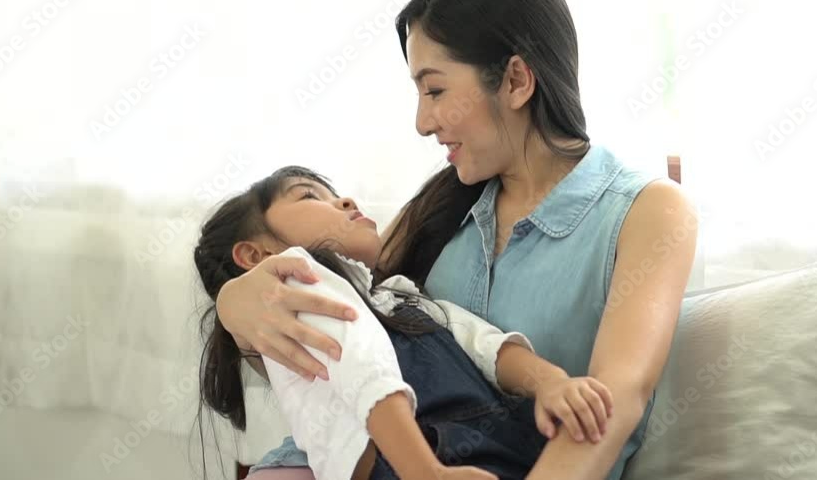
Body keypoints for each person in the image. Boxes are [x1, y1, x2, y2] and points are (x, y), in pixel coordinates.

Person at [218, 0, 697, 480]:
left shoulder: (648, 211)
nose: (422, 122)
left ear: (515, 81)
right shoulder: (434, 209)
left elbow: (616, 400)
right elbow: (338, 327)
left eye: (435, 90)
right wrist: (232, 303)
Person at [193, 166, 617, 480]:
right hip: (418, 461)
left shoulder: (397, 295)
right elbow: (365, 370)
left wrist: (550, 382)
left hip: (500, 446)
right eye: (309, 195)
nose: (346, 201)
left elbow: (481, 344)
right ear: (256, 256)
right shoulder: (297, 288)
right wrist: (425, 470)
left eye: (335, 192)